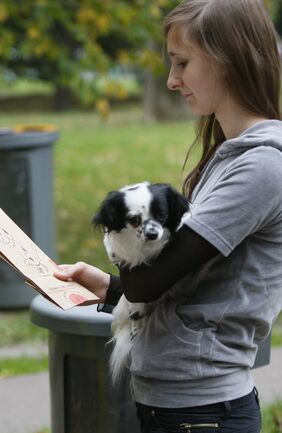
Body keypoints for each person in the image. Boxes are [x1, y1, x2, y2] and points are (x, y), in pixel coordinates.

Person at [54, 0, 282, 431]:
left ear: (228, 60)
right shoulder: (229, 157)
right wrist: (107, 288)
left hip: (204, 411)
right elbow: (186, 286)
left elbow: (152, 281)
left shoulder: (262, 167)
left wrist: (119, 248)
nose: (172, 80)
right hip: (178, 404)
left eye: (182, 63)